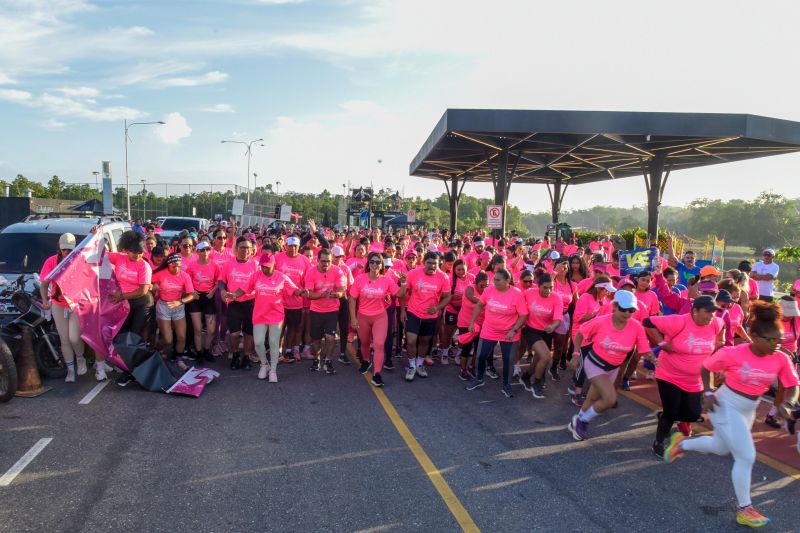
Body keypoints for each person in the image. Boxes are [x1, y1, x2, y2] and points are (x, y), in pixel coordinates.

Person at [663, 301, 799, 528]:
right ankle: (745, 509)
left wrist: (788, 403)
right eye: (772, 340)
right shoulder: (733, 353)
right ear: (755, 337)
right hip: (725, 404)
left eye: (780, 339)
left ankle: (681, 444)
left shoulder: (781, 358)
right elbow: (706, 367)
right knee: (746, 455)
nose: (778, 344)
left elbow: (793, 385)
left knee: (721, 447)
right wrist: (707, 392)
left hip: (749, 408)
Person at [643, 295, 724, 457]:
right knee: (671, 413)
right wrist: (661, 343)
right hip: (669, 375)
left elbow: (721, 333)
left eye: (713, 312)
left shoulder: (715, 323)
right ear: (695, 311)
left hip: (695, 380)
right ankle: (659, 442)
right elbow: (647, 322)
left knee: (692, 415)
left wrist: (718, 351)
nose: (710, 316)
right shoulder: (679, 321)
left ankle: (666, 415)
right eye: (707, 312)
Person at [568, 290, 652, 441]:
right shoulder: (601, 321)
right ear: (614, 306)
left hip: (613, 367)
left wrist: (652, 357)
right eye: (624, 309)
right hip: (595, 364)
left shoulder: (636, 326)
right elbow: (581, 332)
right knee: (609, 399)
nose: (627, 313)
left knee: (593, 397)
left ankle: (577, 420)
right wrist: (575, 355)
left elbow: (644, 347)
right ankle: (583, 421)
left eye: (631, 310)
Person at [241, 252, 304, 382]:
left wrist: (301, 292)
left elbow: (293, 289)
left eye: (267, 266)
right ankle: (264, 364)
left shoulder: (282, 277)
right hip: (259, 314)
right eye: (262, 266)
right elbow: (244, 288)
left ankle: (273, 370)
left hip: (276, 314)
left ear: (274, 265)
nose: (264, 269)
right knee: (258, 343)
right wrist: (233, 295)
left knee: (274, 343)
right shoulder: (255, 276)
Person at [466, 268, 528, 398]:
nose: (494, 282)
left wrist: (514, 330)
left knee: (508, 360)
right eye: (494, 279)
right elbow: (479, 305)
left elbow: (523, 315)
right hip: (489, 330)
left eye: (498, 280)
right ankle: (479, 379)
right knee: (481, 356)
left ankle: (507, 385)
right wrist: (472, 322)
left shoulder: (517, 294)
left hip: (509, 332)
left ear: (507, 280)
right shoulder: (489, 290)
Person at [349, 252, 406, 387]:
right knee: (364, 343)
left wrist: (404, 282)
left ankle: (377, 374)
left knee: (379, 344)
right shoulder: (360, 279)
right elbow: (352, 298)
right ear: (369, 264)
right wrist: (353, 318)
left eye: (378, 262)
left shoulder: (386, 280)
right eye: (372, 261)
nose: (375, 264)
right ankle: (366, 361)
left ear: (382, 265)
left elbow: (399, 294)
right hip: (363, 316)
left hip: (380, 316)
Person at [40, 233, 91, 382]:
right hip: (58, 304)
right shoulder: (51, 261)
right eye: (64, 250)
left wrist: (93, 234)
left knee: (74, 337)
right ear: (59, 248)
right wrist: (45, 301)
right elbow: (44, 285)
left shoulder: (80, 261)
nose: (67, 253)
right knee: (64, 339)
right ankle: (70, 370)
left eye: (70, 249)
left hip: (75, 304)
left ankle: (80, 358)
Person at [401, 251, 451, 382]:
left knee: (424, 342)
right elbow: (403, 293)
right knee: (411, 341)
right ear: (423, 263)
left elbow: (447, 297)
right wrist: (402, 310)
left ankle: (419, 365)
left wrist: (437, 307)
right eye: (429, 263)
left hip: (430, 315)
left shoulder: (443, 277)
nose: (432, 266)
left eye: (435, 264)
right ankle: (412, 366)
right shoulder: (413, 273)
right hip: (413, 312)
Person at [109, 230, 153, 359]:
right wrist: (93, 236)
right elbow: (97, 253)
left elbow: (143, 290)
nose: (138, 256)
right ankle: (124, 360)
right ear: (126, 250)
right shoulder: (119, 257)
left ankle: (135, 362)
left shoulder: (144, 266)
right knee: (122, 332)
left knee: (135, 334)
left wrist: (122, 296)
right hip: (125, 301)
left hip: (141, 302)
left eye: (140, 252)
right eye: (134, 252)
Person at [520, 273, 562, 398]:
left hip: (547, 331)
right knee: (545, 357)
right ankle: (536, 384)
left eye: (551, 287)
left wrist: (552, 326)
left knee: (538, 360)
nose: (548, 290)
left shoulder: (556, 298)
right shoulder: (529, 293)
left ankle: (526, 377)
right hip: (531, 330)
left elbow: (558, 318)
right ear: (538, 286)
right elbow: (517, 300)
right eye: (545, 287)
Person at [305, 248, 346, 374]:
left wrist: (337, 294)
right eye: (323, 261)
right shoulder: (311, 272)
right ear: (317, 260)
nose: (326, 264)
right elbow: (309, 294)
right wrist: (322, 295)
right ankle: (317, 359)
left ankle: (328, 360)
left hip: (332, 310)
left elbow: (341, 288)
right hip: (316, 310)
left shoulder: (338, 270)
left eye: (328, 261)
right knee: (316, 339)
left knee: (330, 338)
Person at [220, 237, 259, 370]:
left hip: (250, 303)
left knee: (249, 333)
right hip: (234, 303)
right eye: (242, 247)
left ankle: (246, 357)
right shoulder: (228, 263)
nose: (245, 250)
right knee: (234, 334)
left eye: (248, 248)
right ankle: (236, 354)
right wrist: (222, 290)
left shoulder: (255, 264)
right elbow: (221, 280)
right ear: (236, 249)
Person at [152, 253, 196, 364]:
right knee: (168, 340)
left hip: (178, 307)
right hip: (164, 307)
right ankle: (156, 349)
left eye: (179, 266)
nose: (176, 269)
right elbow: (147, 282)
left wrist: (180, 302)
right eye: (173, 266)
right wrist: (153, 287)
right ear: (168, 265)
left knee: (181, 337)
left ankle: (178, 358)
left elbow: (192, 295)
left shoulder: (185, 276)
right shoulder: (160, 274)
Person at [275, 235, 309, 362]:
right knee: (279, 328)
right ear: (286, 246)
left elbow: (308, 280)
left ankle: (288, 351)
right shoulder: (278, 257)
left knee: (293, 328)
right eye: (290, 245)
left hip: (296, 302)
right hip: (279, 301)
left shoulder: (304, 260)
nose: (293, 248)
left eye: (295, 246)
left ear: (299, 246)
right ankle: (277, 352)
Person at [185, 241, 219, 362]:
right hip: (196, 298)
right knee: (198, 329)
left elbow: (218, 281)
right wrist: (192, 292)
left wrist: (213, 291)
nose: (205, 252)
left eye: (207, 249)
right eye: (202, 250)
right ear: (197, 252)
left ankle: (206, 350)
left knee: (211, 329)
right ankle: (199, 353)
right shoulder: (192, 265)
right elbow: (186, 280)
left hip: (208, 297)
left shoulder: (214, 265)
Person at [457, 272, 488, 381]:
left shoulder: (488, 292)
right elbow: (471, 298)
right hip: (465, 322)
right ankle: (463, 370)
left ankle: (472, 367)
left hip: (480, 324)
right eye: (481, 285)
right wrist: (485, 302)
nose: (484, 288)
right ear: (476, 283)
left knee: (478, 348)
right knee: (467, 347)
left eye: (486, 286)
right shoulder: (469, 288)